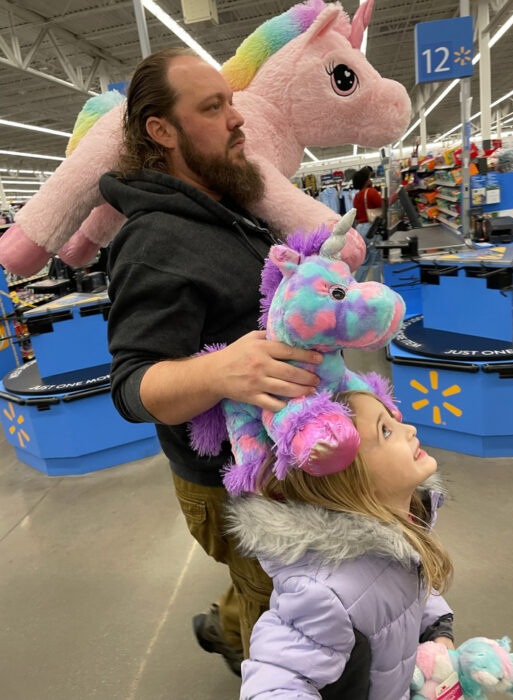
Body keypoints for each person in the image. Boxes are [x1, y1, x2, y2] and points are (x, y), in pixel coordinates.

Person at [99, 47, 325, 675]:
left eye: (231, 101)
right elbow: (131, 385)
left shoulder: (229, 200)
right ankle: (253, 650)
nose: (237, 118)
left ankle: (224, 623)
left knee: (265, 578)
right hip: (233, 485)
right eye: (212, 107)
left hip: (278, 457)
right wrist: (223, 369)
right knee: (282, 615)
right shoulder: (153, 242)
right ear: (161, 131)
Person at [226, 390, 455, 699]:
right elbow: (274, 680)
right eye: (385, 430)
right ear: (352, 479)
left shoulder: (400, 528)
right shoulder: (323, 593)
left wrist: (437, 628)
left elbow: (400, 583)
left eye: (394, 419)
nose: (410, 429)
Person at [352, 167, 383, 283]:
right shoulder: (371, 192)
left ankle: (355, 286)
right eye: (369, 178)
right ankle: (377, 289)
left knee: (364, 262)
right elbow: (383, 204)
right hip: (372, 228)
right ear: (366, 181)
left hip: (360, 229)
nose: (371, 180)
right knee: (376, 261)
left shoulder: (357, 196)